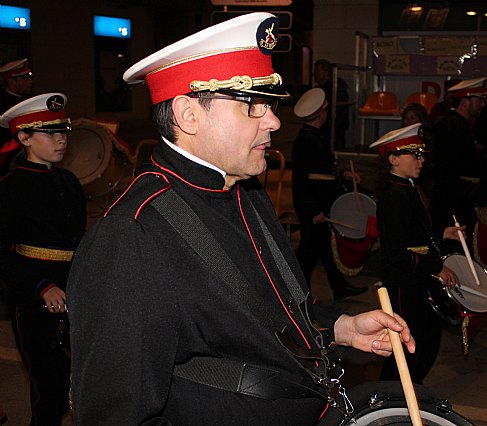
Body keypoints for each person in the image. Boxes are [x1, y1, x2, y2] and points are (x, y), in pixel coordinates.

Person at [66, 13, 415, 425]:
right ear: (188, 115)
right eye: (253, 104)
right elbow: (115, 414)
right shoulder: (131, 236)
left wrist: (341, 327)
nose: (273, 121)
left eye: (268, 104)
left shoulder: (242, 189)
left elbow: (263, 309)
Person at [0, 93, 86, 425]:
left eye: (62, 131)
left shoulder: (68, 181)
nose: (61, 139)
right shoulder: (10, 188)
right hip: (35, 302)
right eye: (49, 133)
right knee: (48, 392)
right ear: (24, 138)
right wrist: (41, 286)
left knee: (78, 382)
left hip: (76, 294)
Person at [370, 123, 462, 384]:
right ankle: (388, 397)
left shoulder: (409, 187)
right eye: (415, 155)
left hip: (417, 277)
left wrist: (443, 233)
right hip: (404, 281)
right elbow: (397, 253)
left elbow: (414, 232)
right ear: (393, 158)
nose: (421, 160)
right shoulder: (394, 196)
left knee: (426, 341)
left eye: (422, 154)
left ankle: (407, 392)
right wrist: (436, 268)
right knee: (406, 348)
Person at [292, 88, 367, 300]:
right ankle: (297, 295)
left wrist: (344, 174)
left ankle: (339, 287)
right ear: (321, 113)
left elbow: (324, 169)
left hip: (322, 203)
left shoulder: (314, 136)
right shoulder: (306, 141)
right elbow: (302, 181)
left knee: (324, 248)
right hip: (314, 206)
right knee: (308, 253)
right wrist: (313, 210)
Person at [429, 77, 487, 235]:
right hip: (451, 204)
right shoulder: (450, 127)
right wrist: (482, 194)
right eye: (479, 100)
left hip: (460, 200)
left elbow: (464, 165)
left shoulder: (459, 125)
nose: (483, 105)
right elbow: (446, 174)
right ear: (465, 101)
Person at [0, 59, 34, 175]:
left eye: (30, 78)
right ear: (11, 81)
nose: (30, 82)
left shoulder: (29, 101)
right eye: (25, 78)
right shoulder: (2, 103)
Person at [313, 59, 350, 150]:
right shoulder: (318, 89)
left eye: (317, 70)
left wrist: (328, 126)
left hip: (332, 130)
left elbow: (339, 110)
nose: (314, 74)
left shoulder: (336, 87)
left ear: (326, 72)